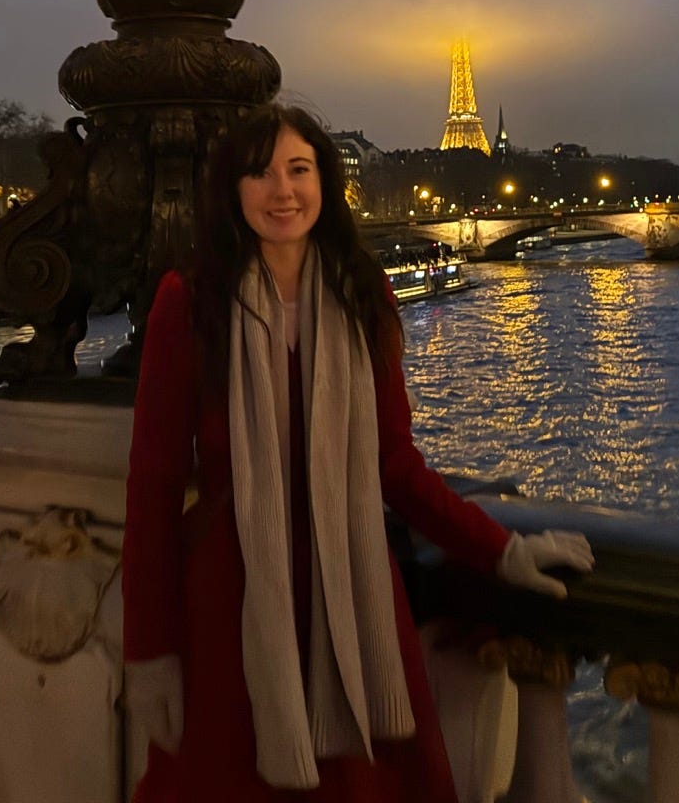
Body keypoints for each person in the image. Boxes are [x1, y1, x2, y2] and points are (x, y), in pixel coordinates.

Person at [122, 102, 593, 802]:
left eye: (298, 169)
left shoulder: (361, 291)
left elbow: (393, 465)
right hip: (231, 602)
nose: (282, 191)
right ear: (231, 192)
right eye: (260, 174)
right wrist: (151, 652)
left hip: (352, 590)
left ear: (323, 182)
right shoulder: (188, 302)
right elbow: (154, 489)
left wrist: (502, 549)